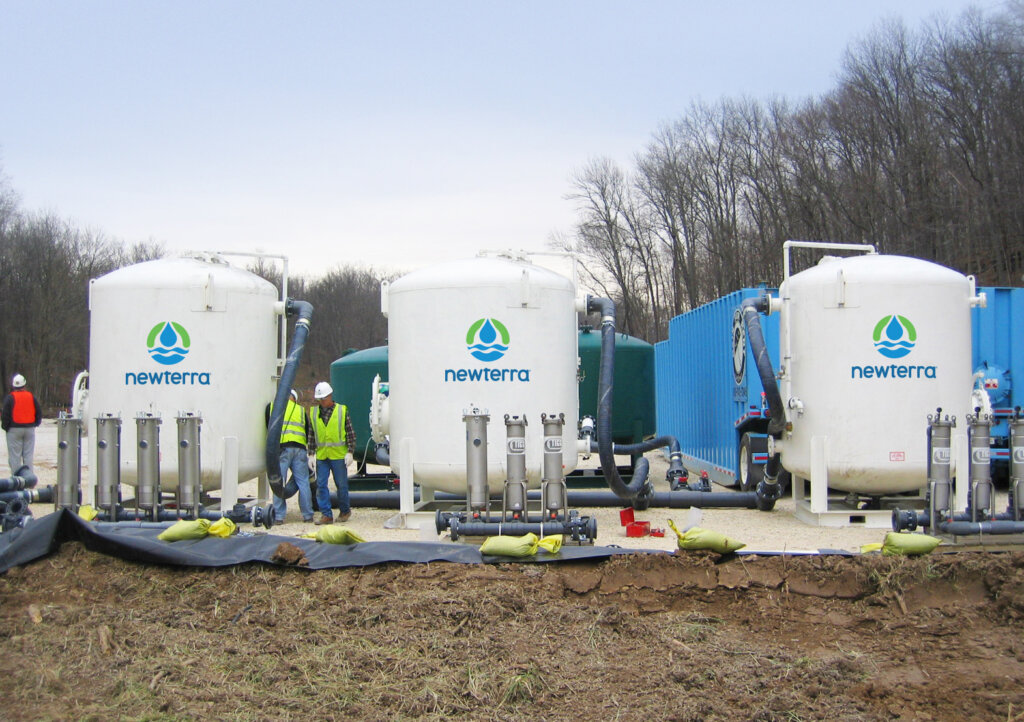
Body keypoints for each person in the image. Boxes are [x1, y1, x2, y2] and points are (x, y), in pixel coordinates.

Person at [266, 389, 315, 525]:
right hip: (299, 449)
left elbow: (268, 427)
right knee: (303, 482)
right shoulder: (300, 410)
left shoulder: (272, 407)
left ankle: (279, 516)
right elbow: (307, 430)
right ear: (295, 398)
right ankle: (307, 515)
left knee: (278, 482)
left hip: (282, 449)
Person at [311, 381, 356, 524]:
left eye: (323, 398)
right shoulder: (314, 413)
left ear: (330, 396)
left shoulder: (342, 411)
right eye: (320, 399)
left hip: (338, 455)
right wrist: (311, 454)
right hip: (322, 456)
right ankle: (326, 515)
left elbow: (350, 433)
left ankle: (345, 511)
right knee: (321, 485)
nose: (322, 401)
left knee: (341, 485)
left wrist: (350, 452)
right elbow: (312, 434)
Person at [2, 374, 42, 475]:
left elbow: (5, 414)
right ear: (24, 385)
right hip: (29, 429)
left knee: (15, 457)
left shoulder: (10, 398)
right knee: (28, 456)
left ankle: (17, 481)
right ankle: (29, 479)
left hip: (14, 429)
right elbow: (38, 411)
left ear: (13, 386)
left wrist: (5, 427)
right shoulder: (31, 396)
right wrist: (35, 423)